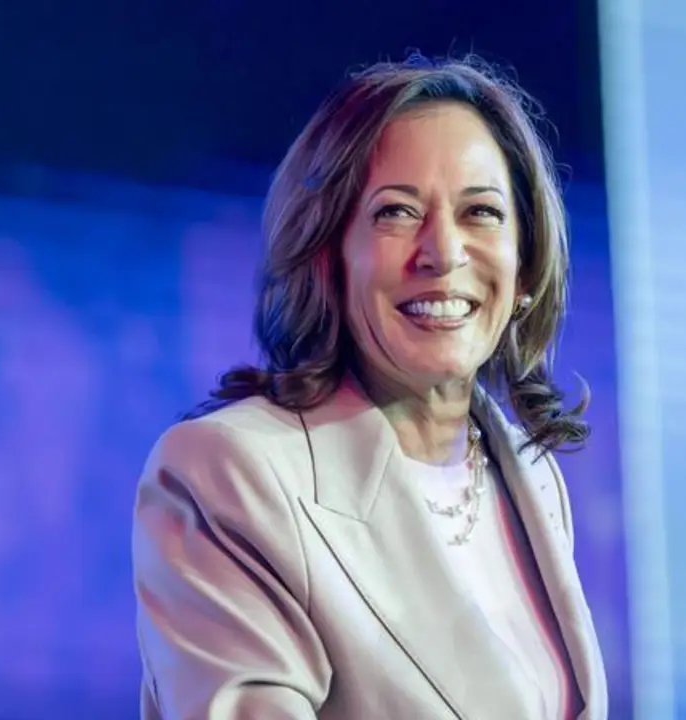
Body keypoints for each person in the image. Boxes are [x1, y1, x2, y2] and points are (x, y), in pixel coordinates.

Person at [132, 53, 607, 720]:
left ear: (525, 267)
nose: (443, 252)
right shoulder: (230, 472)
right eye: (397, 212)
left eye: (481, 212)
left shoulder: (531, 477)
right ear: (328, 252)